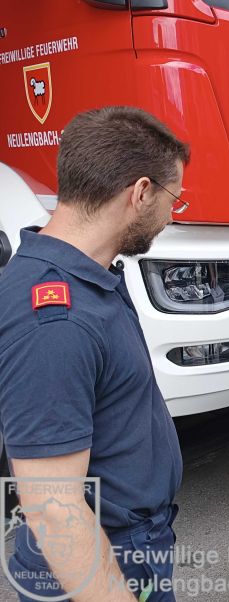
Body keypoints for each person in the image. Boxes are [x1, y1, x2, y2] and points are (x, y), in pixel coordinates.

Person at [0, 107, 188, 601]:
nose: (172, 214)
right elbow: (53, 507)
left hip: (127, 542)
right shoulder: (57, 320)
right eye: (173, 198)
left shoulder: (84, 278)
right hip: (103, 559)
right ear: (141, 192)